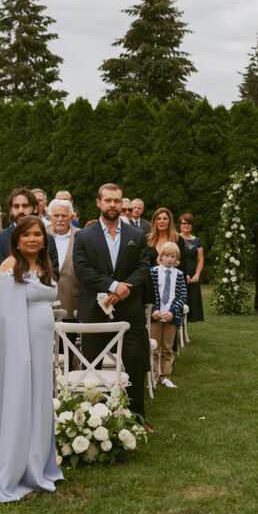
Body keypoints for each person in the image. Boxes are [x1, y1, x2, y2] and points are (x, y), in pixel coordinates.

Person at [0, 215, 64, 502]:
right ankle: (14, 472)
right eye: (26, 235)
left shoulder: (44, 265)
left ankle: (36, 465)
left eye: (38, 235)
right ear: (16, 240)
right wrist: (21, 353)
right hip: (21, 352)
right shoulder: (10, 267)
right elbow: (6, 315)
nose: (32, 239)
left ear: (44, 240)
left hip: (41, 349)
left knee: (39, 402)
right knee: (19, 404)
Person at [73, 183, 156, 433]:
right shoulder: (84, 236)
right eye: (108, 200)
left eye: (117, 201)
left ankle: (136, 421)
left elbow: (143, 267)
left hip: (130, 312)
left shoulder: (136, 235)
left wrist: (123, 289)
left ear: (122, 204)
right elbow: (82, 269)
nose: (113, 205)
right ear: (98, 203)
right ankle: (92, 422)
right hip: (95, 312)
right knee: (92, 367)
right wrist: (112, 285)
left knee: (135, 363)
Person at [0, 188, 59, 278]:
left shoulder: (48, 239)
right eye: (16, 206)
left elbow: (55, 274)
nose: (20, 211)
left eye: (25, 206)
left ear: (35, 209)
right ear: (10, 210)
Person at [149, 241, 187, 388]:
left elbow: (183, 295)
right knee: (154, 347)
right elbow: (149, 293)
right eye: (167, 256)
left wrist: (173, 311)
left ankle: (166, 376)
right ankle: (153, 377)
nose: (170, 259)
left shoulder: (179, 275)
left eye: (173, 256)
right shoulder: (153, 272)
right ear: (161, 256)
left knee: (167, 347)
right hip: (156, 316)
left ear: (177, 259)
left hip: (171, 316)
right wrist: (154, 310)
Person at [178, 213, 205, 323]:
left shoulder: (197, 241)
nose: (186, 226)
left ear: (192, 225)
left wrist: (197, 275)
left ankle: (186, 332)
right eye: (184, 223)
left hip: (193, 276)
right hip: (180, 274)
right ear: (180, 225)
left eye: (189, 223)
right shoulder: (176, 239)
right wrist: (185, 275)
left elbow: (200, 260)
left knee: (192, 303)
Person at [46, 199, 77, 271]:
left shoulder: (81, 236)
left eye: (64, 216)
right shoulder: (41, 234)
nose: (60, 219)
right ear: (50, 218)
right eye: (56, 216)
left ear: (71, 218)